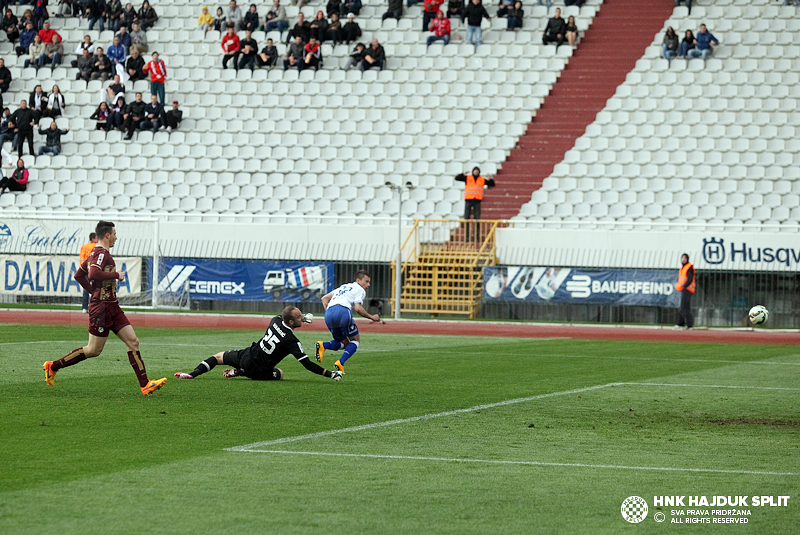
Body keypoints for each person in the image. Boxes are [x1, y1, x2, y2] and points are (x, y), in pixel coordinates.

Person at [44, 221, 168, 396]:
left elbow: (79, 275)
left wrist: (93, 291)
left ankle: (145, 384)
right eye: (115, 233)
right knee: (93, 350)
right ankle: (52, 366)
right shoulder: (101, 253)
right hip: (101, 309)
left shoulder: (96, 253)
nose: (116, 237)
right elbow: (92, 274)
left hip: (112, 306)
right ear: (107, 235)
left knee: (133, 342)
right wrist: (116, 275)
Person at [175, 306, 343, 382]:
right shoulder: (291, 341)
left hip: (247, 355)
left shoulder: (275, 320)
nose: (303, 318)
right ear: (292, 322)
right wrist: (330, 374)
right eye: (300, 317)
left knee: (218, 357)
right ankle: (241, 372)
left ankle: (192, 374)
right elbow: (306, 364)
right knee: (281, 374)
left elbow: (283, 316)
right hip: (258, 371)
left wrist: (301, 319)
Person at [316, 270, 382, 373]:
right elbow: (358, 308)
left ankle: (323, 345)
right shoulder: (359, 289)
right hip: (343, 312)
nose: (368, 285)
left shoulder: (343, 287)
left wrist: (330, 312)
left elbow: (324, 298)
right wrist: (372, 317)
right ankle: (340, 363)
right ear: (358, 280)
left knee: (344, 343)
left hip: (328, 314)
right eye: (367, 281)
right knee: (355, 340)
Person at [455, 166, 495, 241]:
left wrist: (490, 178)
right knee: (466, 218)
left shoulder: (482, 179)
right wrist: (463, 173)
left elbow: (492, 184)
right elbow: (457, 178)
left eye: (477, 171)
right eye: (475, 171)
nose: (476, 172)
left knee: (477, 219)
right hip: (468, 200)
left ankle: (477, 237)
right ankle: (467, 237)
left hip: (477, 200)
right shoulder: (468, 177)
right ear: (473, 171)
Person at [674, 253, 695, 330]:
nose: (683, 259)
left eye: (685, 258)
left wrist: (685, 286)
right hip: (685, 289)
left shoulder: (689, 267)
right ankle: (685, 324)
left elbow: (690, 278)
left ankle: (684, 324)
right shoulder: (682, 268)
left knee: (683, 307)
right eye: (682, 258)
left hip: (688, 289)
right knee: (685, 307)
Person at [78, 232, 97, 313]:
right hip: (92, 269)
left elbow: (81, 258)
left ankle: (84, 307)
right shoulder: (96, 246)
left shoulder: (84, 246)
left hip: (84, 269)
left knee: (86, 288)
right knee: (96, 288)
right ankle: (95, 307)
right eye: (97, 238)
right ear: (93, 238)